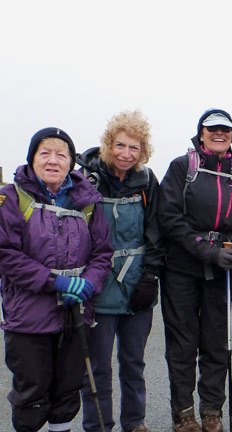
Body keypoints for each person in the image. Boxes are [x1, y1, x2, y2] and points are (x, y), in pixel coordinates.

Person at [0, 127, 113, 432]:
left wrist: (90, 282)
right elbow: (5, 254)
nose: (53, 160)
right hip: (28, 316)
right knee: (32, 392)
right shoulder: (10, 198)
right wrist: (54, 282)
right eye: (44, 153)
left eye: (61, 154)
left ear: (70, 163)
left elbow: (103, 252)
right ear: (32, 158)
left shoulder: (87, 201)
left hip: (75, 313)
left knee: (67, 389)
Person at [158, 108, 232, 432]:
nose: (219, 133)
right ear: (200, 133)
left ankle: (212, 411)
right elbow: (170, 218)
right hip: (183, 269)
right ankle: (184, 414)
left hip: (222, 270)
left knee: (216, 343)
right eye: (212, 128)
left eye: (225, 129)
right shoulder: (181, 167)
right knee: (183, 343)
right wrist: (207, 251)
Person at [76, 110, 164, 432]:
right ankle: (98, 425)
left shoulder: (146, 181)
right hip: (98, 285)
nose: (126, 154)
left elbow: (156, 231)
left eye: (134, 148)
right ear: (108, 144)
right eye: (120, 145)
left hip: (137, 282)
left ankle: (134, 423)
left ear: (143, 151)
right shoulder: (87, 179)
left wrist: (150, 278)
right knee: (96, 366)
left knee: (133, 363)